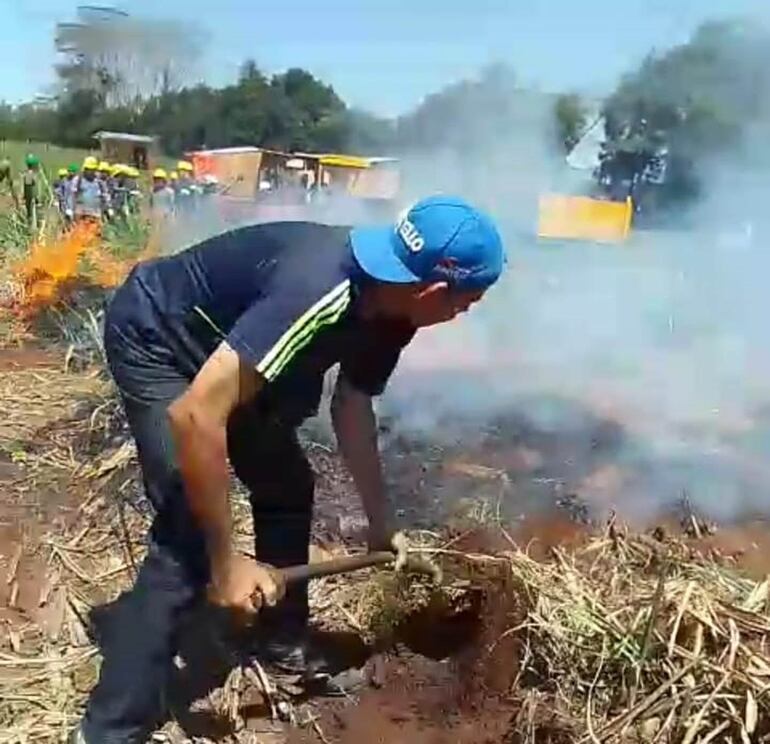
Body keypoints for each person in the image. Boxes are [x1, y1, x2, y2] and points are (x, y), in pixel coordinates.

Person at [73, 196, 505, 743]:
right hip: (161, 338)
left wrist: (381, 522)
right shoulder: (319, 289)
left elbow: (351, 405)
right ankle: (108, 729)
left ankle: (280, 640)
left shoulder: (396, 308)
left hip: (229, 356)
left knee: (286, 486)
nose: (465, 312)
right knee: (187, 540)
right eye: (470, 301)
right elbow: (196, 413)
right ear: (435, 290)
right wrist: (226, 564)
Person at [68, 157, 107, 226]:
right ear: (84, 169)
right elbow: (72, 195)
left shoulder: (99, 182)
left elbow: (105, 196)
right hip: (81, 213)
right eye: (88, 169)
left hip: (95, 214)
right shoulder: (78, 180)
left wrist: (107, 208)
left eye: (93, 169)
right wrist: (70, 209)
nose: (91, 172)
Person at [21, 153, 42, 230]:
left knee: (34, 214)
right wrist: (33, 198)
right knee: (32, 214)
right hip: (32, 199)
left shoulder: (32, 174)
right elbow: (29, 189)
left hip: (32, 198)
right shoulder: (29, 174)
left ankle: (33, 227)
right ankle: (32, 228)